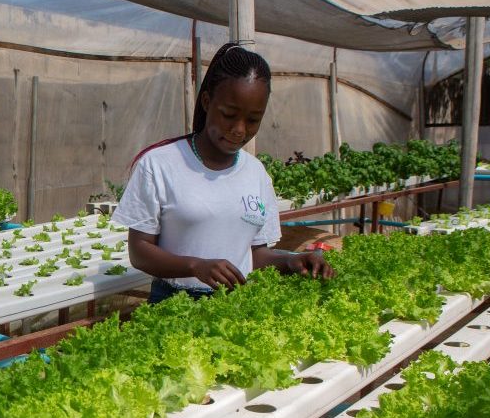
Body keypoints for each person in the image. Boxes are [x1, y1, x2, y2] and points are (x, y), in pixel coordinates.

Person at [111, 42, 334, 304]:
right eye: (229, 114)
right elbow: (139, 251)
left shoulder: (256, 173)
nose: (239, 129)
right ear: (207, 101)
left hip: (236, 304)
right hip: (174, 303)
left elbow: (256, 255)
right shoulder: (160, 164)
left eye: (253, 120)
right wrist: (195, 266)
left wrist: (291, 259)